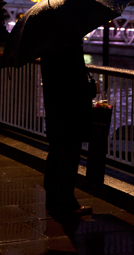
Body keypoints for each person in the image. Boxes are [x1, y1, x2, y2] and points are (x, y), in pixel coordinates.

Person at [40, 40, 94, 219]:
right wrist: (90, 88)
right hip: (70, 112)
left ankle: (53, 201)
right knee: (68, 157)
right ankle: (67, 204)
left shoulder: (49, 48)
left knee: (56, 154)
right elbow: (75, 83)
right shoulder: (70, 47)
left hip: (55, 110)